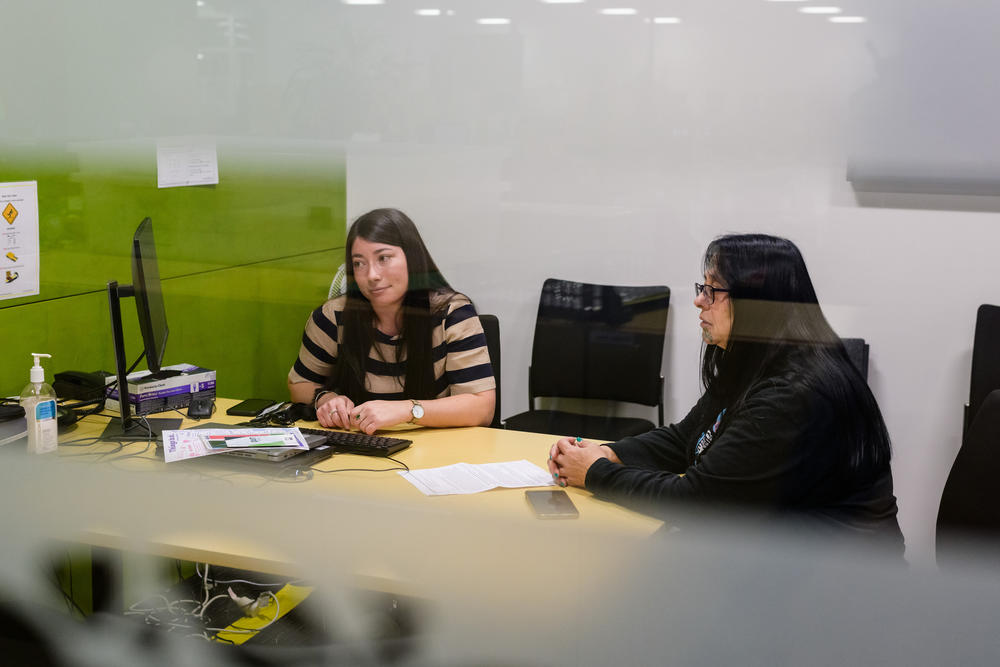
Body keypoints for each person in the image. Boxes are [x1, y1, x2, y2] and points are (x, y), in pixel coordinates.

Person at [547, 234, 903, 548]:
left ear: (756, 304)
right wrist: (609, 453)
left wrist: (595, 473)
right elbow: (685, 439)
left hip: (838, 583)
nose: (699, 301)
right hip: (783, 555)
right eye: (702, 288)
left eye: (712, 291)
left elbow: (699, 502)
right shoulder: (757, 361)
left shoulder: (793, 393)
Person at [288, 208, 496, 433]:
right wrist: (326, 400)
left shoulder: (453, 314)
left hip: (436, 450)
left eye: (383, 258)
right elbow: (299, 384)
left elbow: (482, 408)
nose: (372, 275)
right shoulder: (333, 316)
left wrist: (407, 410)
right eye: (359, 263)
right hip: (361, 445)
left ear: (412, 258)